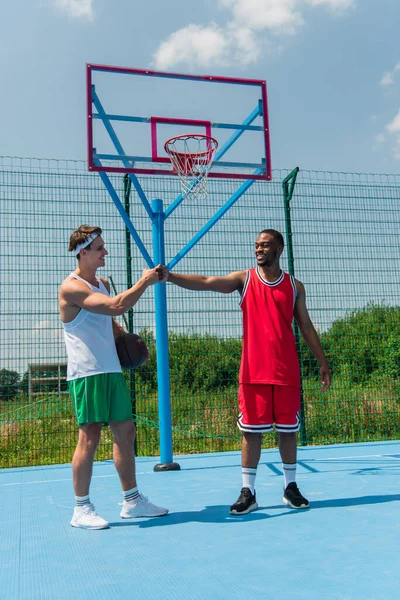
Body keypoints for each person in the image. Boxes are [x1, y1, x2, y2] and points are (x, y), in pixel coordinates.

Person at [167, 229, 331, 515]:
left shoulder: (294, 286)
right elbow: (207, 282)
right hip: (253, 372)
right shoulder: (244, 280)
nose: (259, 250)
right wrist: (170, 276)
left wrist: (323, 361)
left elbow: (305, 325)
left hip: (286, 373)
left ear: (279, 249)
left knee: (288, 432)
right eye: (256, 245)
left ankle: (290, 487)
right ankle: (248, 492)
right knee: (251, 434)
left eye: (265, 245)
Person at [59, 225, 169, 530]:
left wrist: (127, 341)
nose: (105, 252)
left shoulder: (103, 283)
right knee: (90, 437)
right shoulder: (71, 287)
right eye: (99, 249)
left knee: (126, 432)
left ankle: (132, 501)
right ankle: (81, 508)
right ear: (83, 253)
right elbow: (116, 306)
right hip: (87, 373)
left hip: (111, 370)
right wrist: (145, 280)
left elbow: (111, 322)